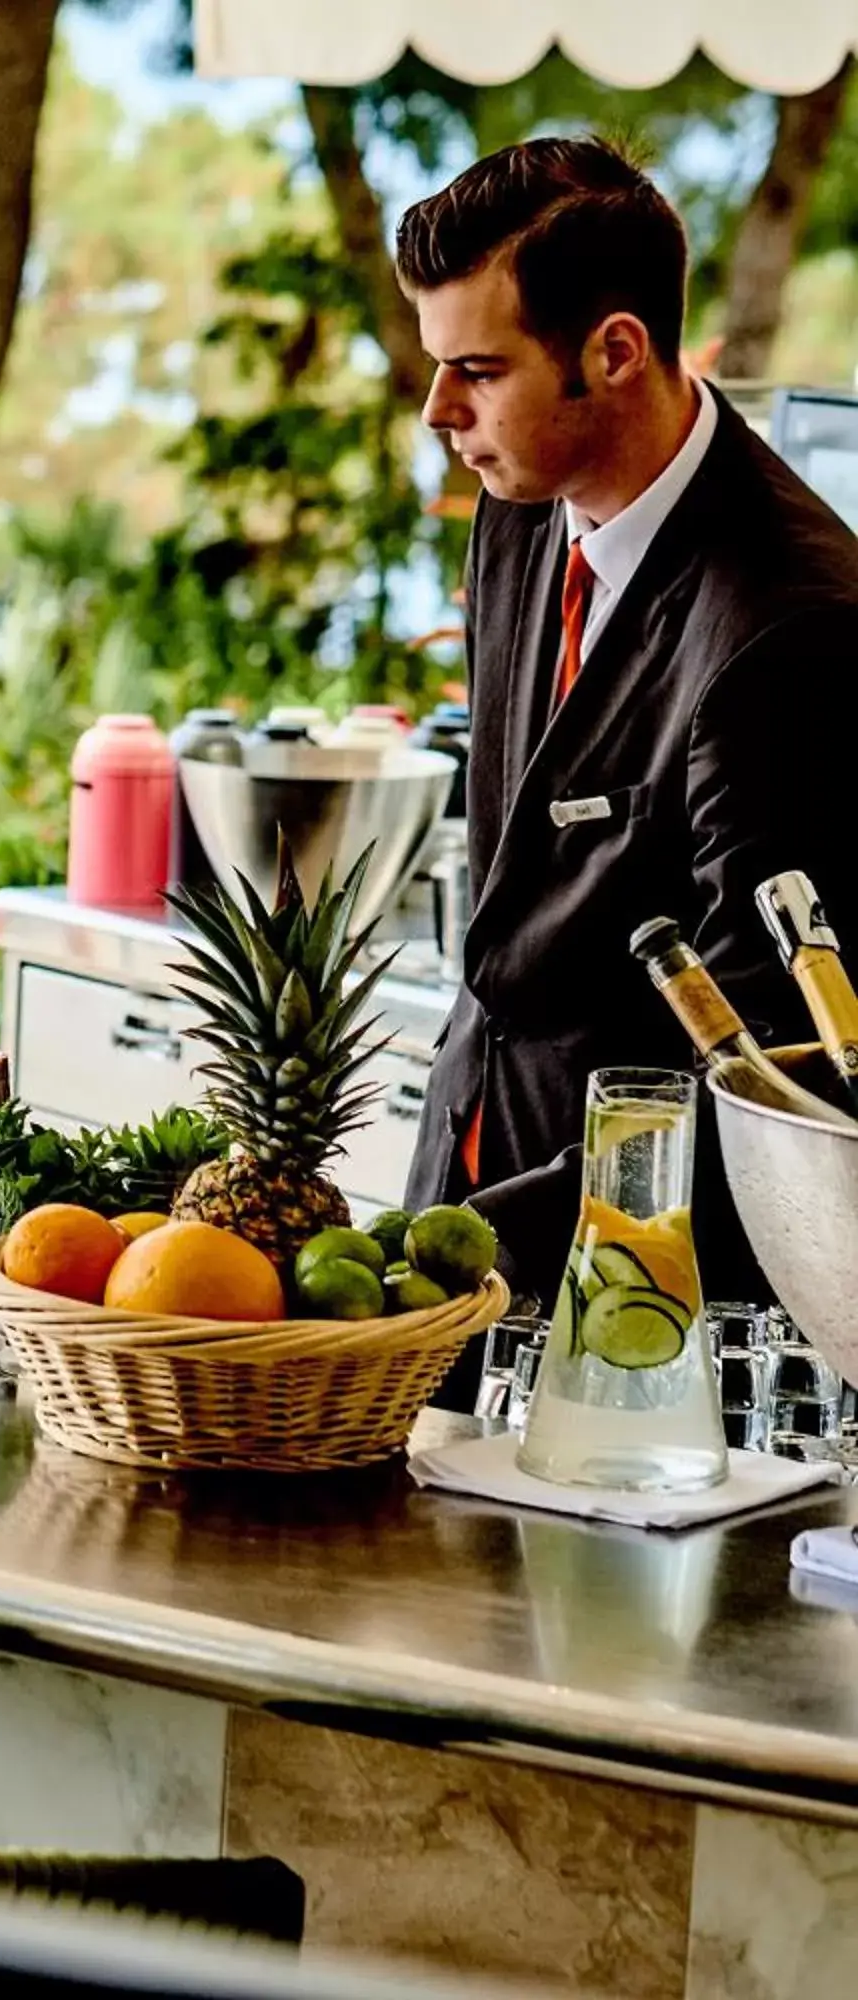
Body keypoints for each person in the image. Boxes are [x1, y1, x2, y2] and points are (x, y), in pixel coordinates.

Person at [394, 137, 858, 1318]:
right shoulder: (516, 505)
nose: (439, 407)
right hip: (457, 1192)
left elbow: (775, 1081)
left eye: (479, 370)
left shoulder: (789, 627)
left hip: (637, 1284)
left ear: (614, 351)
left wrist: (464, 1250)